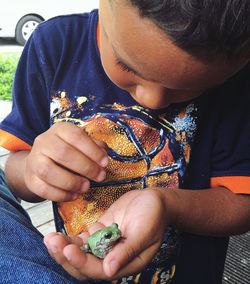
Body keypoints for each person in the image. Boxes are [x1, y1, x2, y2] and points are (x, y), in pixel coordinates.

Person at [0, 0, 250, 283]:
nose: (152, 100)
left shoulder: (239, 82)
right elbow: (15, 172)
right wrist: (34, 169)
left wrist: (169, 205)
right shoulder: (54, 47)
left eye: (191, 87)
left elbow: (242, 204)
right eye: (127, 65)